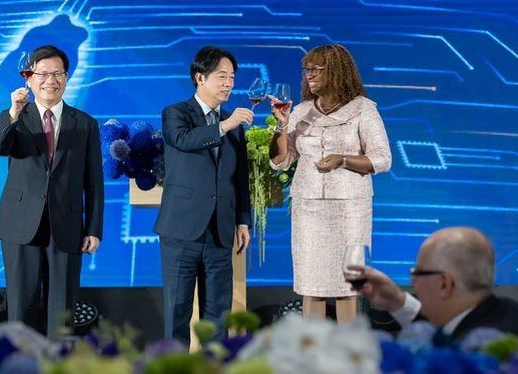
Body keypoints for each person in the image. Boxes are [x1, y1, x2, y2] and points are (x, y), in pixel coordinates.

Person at [0, 45, 104, 337]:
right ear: (29, 78)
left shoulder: (85, 123)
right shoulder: (16, 117)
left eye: (57, 73)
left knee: (62, 310)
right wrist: (12, 113)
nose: (50, 80)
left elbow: (94, 181)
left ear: (66, 78)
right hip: (20, 224)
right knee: (20, 305)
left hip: (65, 225)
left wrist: (93, 228)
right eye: (42, 73)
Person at [269, 44, 391, 322]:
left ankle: (347, 354)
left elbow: (382, 159)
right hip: (309, 208)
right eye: (306, 70)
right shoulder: (301, 112)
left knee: (347, 286)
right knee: (312, 284)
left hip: (350, 209)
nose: (309, 75)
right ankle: (314, 354)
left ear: (336, 72)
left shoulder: (363, 110)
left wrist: (342, 159)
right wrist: (280, 126)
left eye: (315, 69)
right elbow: (280, 161)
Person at [154, 46, 252, 347]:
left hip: (220, 232)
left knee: (218, 314)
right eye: (222, 76)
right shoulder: (176, 113)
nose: (229, 84)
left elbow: (240, 178)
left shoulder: (233, 126)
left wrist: (243, 221)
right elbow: (183, 140)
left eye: (232, 77)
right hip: (182, 230)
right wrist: (224, 125)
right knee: (177, 310)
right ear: (200, 77)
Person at [350, 227, 518, 342]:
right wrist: (397, 301)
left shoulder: (481, 350)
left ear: (445, 284)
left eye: (418, 273)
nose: (412, 282)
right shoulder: (502, 314)